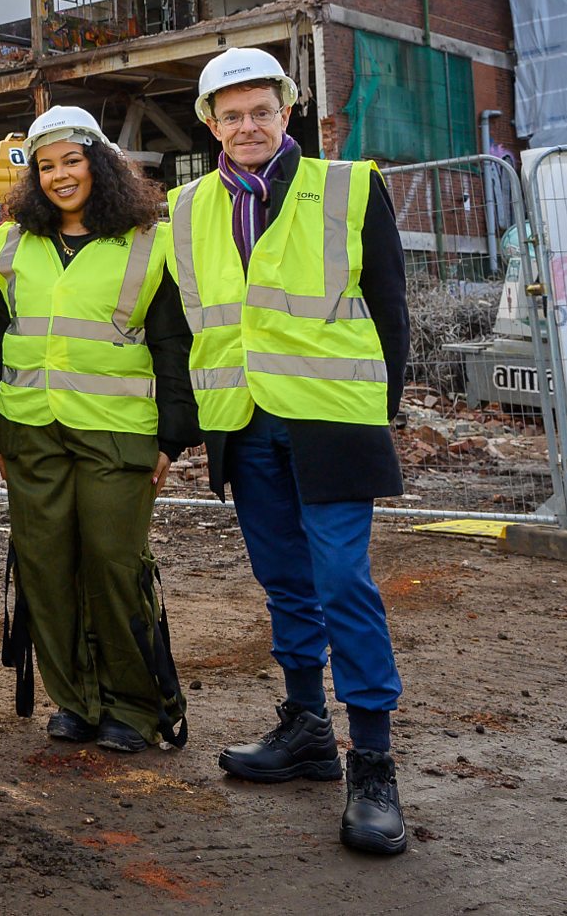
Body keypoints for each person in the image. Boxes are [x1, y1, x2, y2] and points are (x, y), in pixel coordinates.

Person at [166, 47, 410, 855]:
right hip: (243, 421)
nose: (247, 126)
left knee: (343, 581)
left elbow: (390, 308)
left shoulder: (346, 185)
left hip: (332, 418)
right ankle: (306, 727)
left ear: (288, 111)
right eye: (230, 114)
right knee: (285, 584)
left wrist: (385, 411)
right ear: (209, 124)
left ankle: (371, 761)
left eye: (260, 111)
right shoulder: (188, 206)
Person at [0, 106, 196, 756]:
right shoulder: (15, 245)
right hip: (29, 433)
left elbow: (171, 345)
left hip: (118, 432)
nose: (59, 176)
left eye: (71, 161)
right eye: (46, 167)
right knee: (45, 566)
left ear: (98, 164)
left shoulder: (146, 242)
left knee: (112, 563)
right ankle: (74, 699)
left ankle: (133, 705)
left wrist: (172, 437)